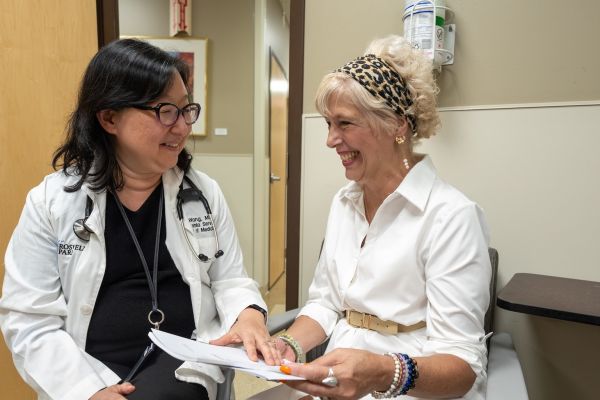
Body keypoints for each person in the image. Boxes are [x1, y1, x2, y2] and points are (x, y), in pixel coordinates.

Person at [0, 38, 279, 400]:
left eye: (186, 110)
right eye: (165, 111)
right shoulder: (51, 202)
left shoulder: (202, 193)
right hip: (84, 365)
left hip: (180, 358)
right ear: (109, 117)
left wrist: (250, 315)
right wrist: (85, 390)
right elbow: (28, 318)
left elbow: (230, 279)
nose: (182, 127)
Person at [271, 35, 491, 400]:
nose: (331, 140)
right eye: (328, 124)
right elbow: (326, 303)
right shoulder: (344, 203)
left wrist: (381, 372)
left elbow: (462, 365)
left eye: (344, 123)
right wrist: (290, 343)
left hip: (414, 385)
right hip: (336, 379)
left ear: (397, 125)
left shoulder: (451, 216)